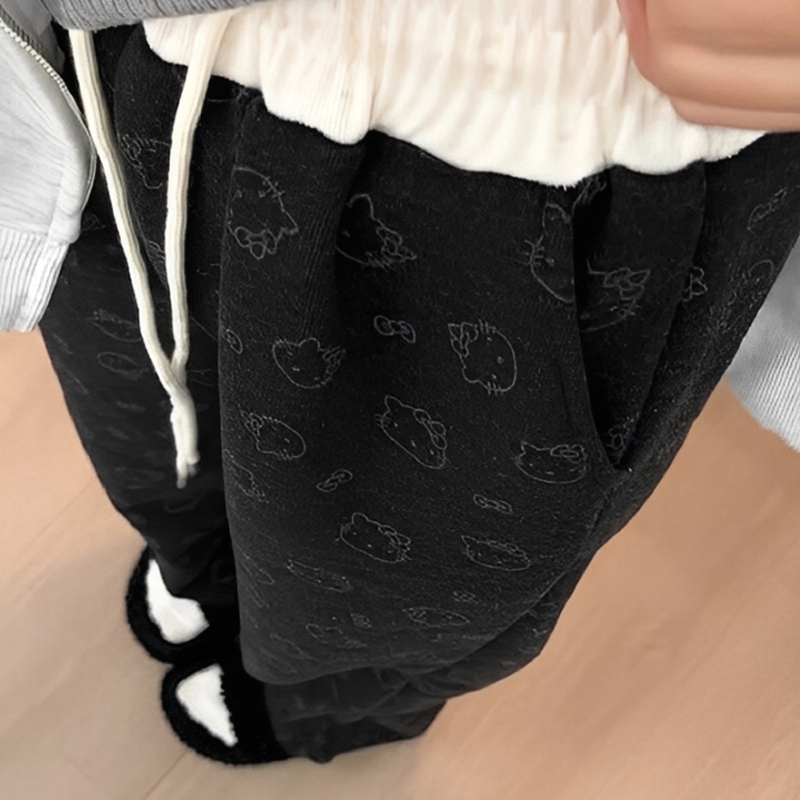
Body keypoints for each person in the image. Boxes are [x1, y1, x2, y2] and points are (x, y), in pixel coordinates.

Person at [2, 0, 800, 766]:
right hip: (123, 60)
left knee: (400, 591)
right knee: (146, 431)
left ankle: (322, 708)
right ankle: (203, 575)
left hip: (539, 144)